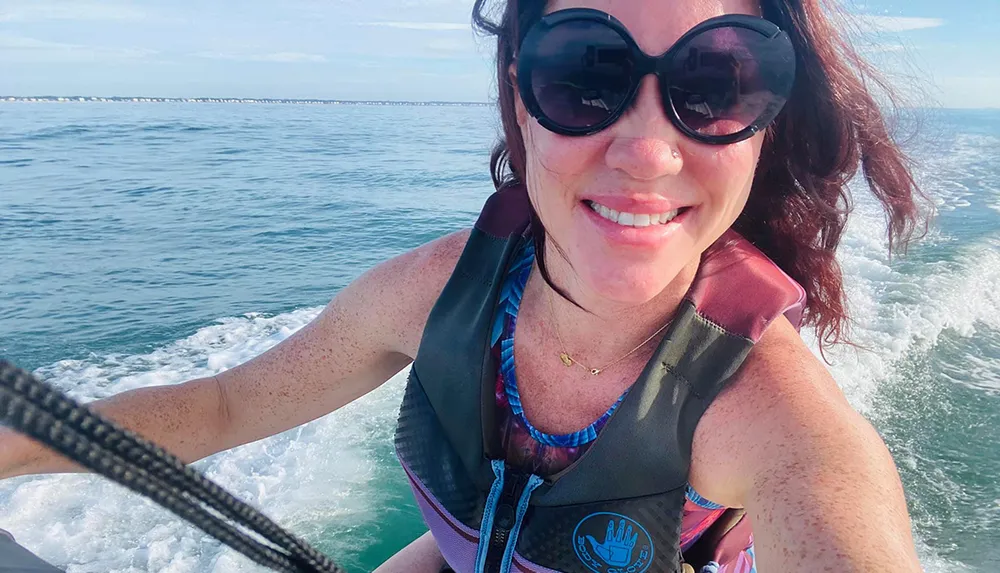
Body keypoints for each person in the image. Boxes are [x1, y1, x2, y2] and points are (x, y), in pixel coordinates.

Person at [0, 0, 929, 571]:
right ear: (519, 99)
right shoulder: (439, 292)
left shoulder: (774, 419)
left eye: (717, 83)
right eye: (583, 74)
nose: (647, 150)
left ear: (763, 128)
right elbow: (225, 400)